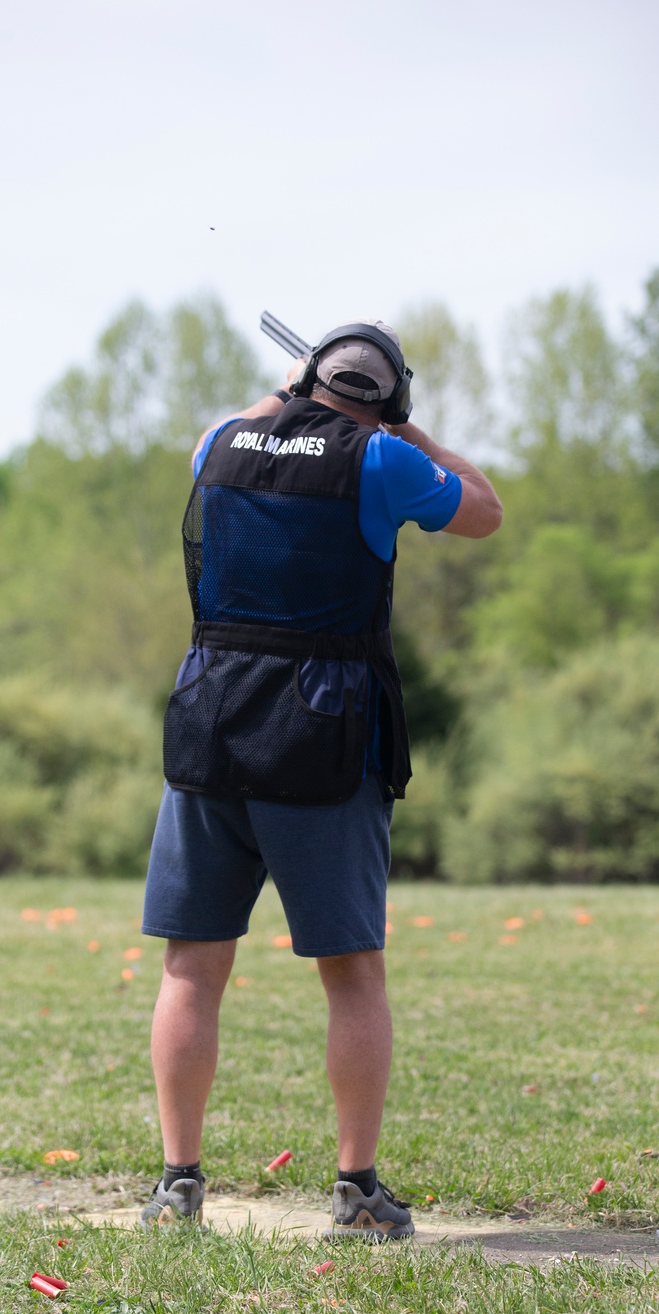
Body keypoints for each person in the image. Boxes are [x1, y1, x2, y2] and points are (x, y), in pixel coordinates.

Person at [139, 320, 501, 1238]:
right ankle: (356, 1190)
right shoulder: (382, 459)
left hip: (210, 728)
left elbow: (253, 425)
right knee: (352, 971)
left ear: (305, 380)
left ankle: (177, 1186)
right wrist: (413, 432)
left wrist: (293, 388)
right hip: (324, 741)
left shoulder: (222, 442)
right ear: (391, 398)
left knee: (192, 967)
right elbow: (485, 509)